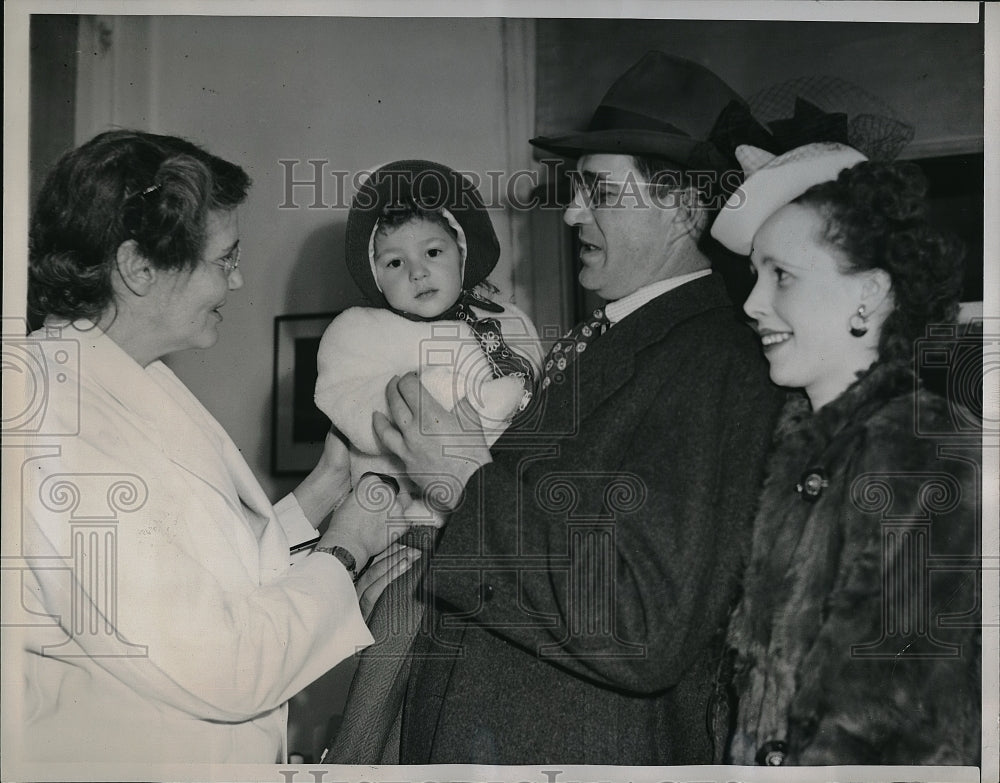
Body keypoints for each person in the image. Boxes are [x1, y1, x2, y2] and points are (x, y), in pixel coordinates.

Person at [350, 52, 785, 765]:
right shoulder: (607, 343)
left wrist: (466, 483)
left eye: (599, 192)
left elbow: (644, 625)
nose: (572, 210)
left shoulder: (716, 364)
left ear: (681, 208)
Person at [12, 129, 416, 764]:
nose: (238, 279)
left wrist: (325, 488)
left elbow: (208, 575)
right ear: (137, 267)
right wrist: (349, 547)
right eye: (223, 259)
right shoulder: (48, 422)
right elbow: (224, 663)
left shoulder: (130, 376)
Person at [710, 142, 981, 764]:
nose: (752, 304)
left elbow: (891, 724)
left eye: (782, 274)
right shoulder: (807, 439)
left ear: (872, 294)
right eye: (755, 274)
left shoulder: (916, 449)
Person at [315, 159, 542, 522]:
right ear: (375, 278)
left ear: (461, 255)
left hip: (505, 498)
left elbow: (540, 384)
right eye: (394, 263)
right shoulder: (360, 331)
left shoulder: (505, 318)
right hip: (402, 512)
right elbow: (355, 407)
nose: (417, 272)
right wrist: (446, 391)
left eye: (433, 253)